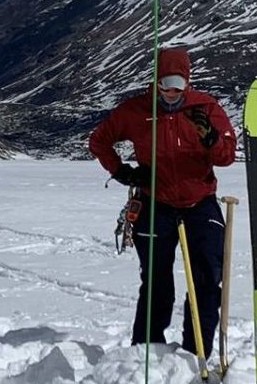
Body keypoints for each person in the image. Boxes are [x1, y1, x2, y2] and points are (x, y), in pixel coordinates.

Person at [89, 46, 236, 355]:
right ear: (155, 82)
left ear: (188, 82)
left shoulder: (205, 108)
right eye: (165, 85)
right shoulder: (136, 110)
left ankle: (198, 354)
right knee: (156, 284)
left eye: (178, 86)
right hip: (156, 203)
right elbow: (99, 140)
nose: (171, 93)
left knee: (207, 281)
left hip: (200, 202)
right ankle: (146, 352)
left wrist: (210, 137)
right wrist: (122, 172)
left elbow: (226, 156)